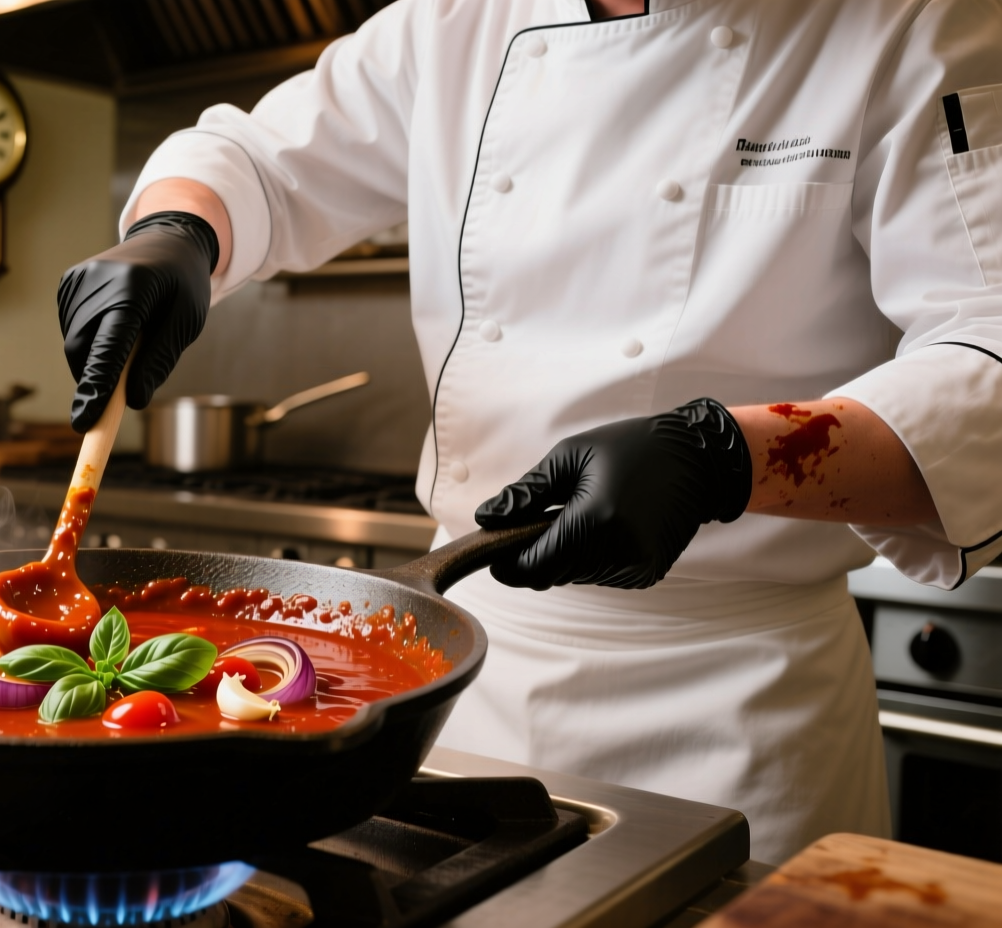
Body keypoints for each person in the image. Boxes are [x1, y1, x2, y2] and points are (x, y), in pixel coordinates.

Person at [54, 0, 1002, 862]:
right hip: (463, 686)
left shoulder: (912, 21)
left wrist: (725, 457)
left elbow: (988, 358)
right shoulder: (452, 21)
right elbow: (261, 160)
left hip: (741, 710)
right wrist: (179, 232)